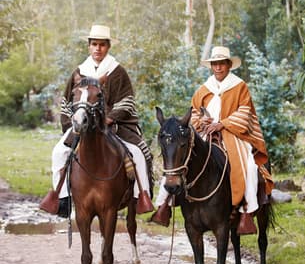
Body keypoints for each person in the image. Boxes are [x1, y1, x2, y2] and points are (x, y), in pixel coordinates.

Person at [152, 46, 273, 233]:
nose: (218, 67)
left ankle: (247, 210)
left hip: (233, 134)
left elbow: (245, 112)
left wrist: (222, 123)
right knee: (178, 157)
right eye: (214, 64)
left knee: (248, 163)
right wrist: (202, 120)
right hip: (205, 134)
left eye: (221, 63)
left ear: (229, 65)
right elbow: (193, 113)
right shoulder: (203, 89)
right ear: (211, 66)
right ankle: (164, 205)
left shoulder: (239, 86)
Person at [51, 24, 154, 217]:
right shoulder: (79, 72)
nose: (98, 48)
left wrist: (110, 118)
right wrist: (71, 123)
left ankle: (141, 197)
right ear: (89, 46)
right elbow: (66, 102)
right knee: (58, 153)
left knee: (139, 153)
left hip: (113, 127)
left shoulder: (117, 71)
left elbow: (127, 101)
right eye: (94, 44)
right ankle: (62, 199)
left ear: (108, 47)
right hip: (81, 126)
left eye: (102, 45)